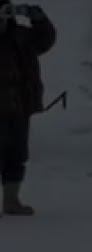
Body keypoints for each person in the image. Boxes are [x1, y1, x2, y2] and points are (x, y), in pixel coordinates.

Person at [0, 0, 54, 217]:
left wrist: (37, 17)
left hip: (18, 107)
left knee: (16, 155)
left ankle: (11, 201)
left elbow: (45, 39)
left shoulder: (20, 36)